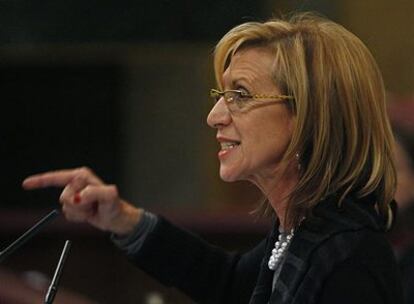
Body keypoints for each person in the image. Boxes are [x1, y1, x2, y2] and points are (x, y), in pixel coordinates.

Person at [22, 13, 403, 304]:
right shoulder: (304, 231)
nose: (215, 116)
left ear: (309, 117)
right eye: (221, 94)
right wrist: (122, 219)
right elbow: (229, 282)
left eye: (240, 94)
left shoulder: (350, 261)